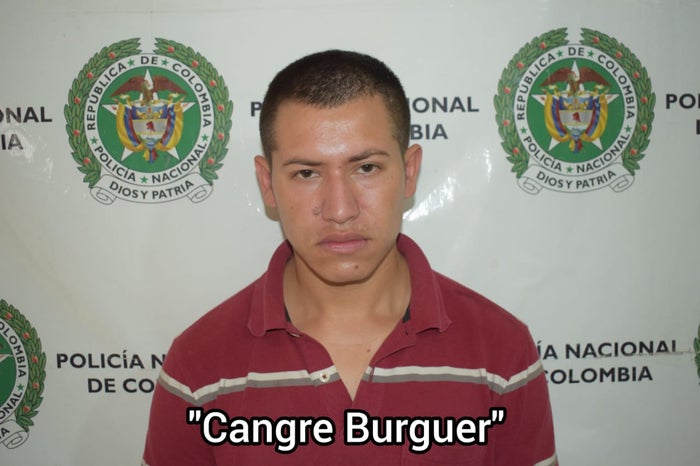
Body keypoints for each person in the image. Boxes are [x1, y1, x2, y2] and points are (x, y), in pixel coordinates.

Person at [142, 50, 557, 465]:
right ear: (267, 184)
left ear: (410, 172)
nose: (340, 210)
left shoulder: (501, 354)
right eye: (307, 173)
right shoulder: (199, 368)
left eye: (367, 168)